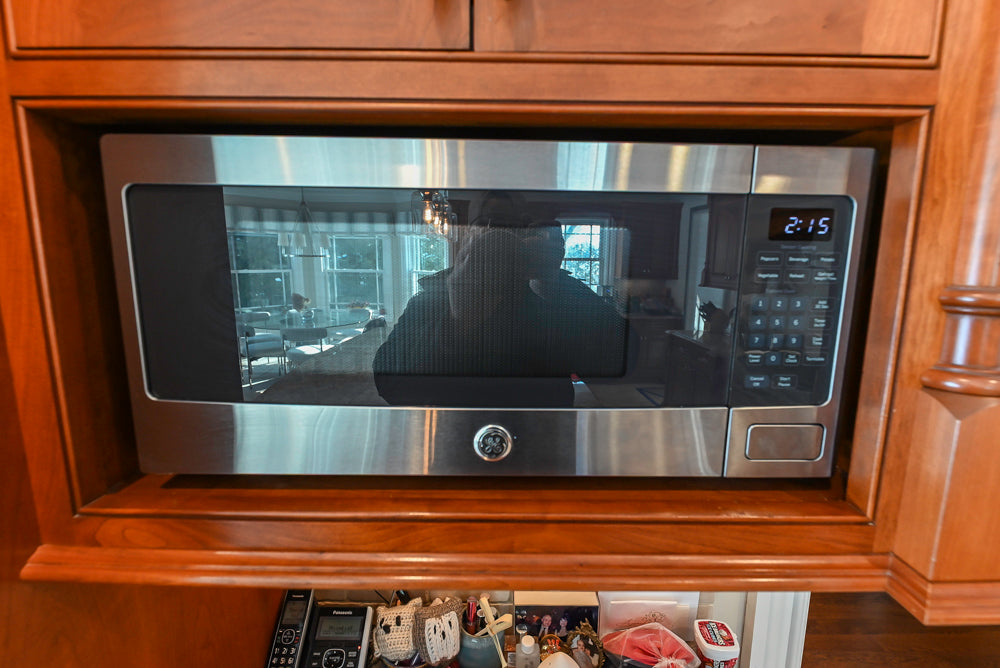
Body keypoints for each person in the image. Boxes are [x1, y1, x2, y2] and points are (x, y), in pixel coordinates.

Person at [372, 191, 626, 407]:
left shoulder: (551, 296)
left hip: (543, 436)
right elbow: (389, 384)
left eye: (513, 226)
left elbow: (622, 359)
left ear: (529, 237)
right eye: (487, 224)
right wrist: (458, 321)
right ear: (466, 235)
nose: (500, 235)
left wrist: (550, 281)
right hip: (452, 438)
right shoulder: (435, 297)